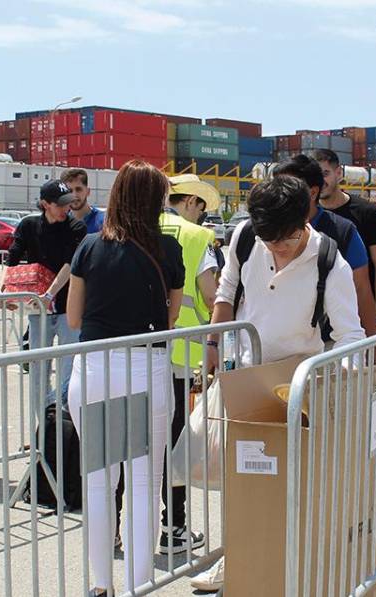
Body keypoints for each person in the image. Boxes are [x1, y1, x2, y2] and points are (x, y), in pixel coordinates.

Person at [190, 175, 365, 592]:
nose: (276, 249)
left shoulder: (330, 262)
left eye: (283, 240)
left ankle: (293, 564)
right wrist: (213, 342)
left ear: (304, 218)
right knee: (241, 475)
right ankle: (239, 558)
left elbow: (351, 333)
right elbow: (226, 291)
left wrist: (346, 378)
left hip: (298, 385)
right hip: (247, 378)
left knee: (295, 484)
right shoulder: (248, 237)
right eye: (269, 241)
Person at [66, 160, 185, 596]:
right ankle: (139, 583)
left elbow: (75, 317)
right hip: (145, 370)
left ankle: (100, 585)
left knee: (99, 480)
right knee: (143, 484)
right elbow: (170, 317)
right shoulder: (168, 251)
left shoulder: (90, 247)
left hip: (94, 367)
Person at [157, 173, 220, 554]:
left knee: (141, 443)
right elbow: (212, 296)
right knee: (175, 443)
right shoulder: (199, 238)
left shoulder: (141, 225)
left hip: (140, 351)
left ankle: (122, 527)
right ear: (193, 202)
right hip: (183, 355)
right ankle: (174, 527)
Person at [273, 154, 376, 336]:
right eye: (275, 187)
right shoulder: (257, 230)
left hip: (327, 347)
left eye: (287, 188)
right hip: (267, 349)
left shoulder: (343, 232)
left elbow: (362, 290)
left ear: (312, 192)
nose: (278, 195)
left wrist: (372, 348)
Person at [8, 180, 87, 407]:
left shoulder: (76, 228)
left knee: (68, 368)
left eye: (68, 204)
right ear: (45, 204)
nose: (66, 209)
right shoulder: (28, 226)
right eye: (60, 204)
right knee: (38, 369)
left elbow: (70, 263)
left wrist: (50, 294)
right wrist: (8, 293)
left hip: (67, 308)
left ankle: (65, 423)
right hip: (38, 311)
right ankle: (43, 428)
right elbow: (13, 257)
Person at [314, 149, 376, 333]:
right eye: (315, 176)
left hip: (359, 318)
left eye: (325, 173)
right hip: (318, 325)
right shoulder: (308, 215)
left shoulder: (366, 213)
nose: (320, 181)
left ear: (338, 173)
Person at [66, 168, 105, 233]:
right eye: (69, 191)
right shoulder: (60, 222)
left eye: (78, 189)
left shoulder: (103, 222)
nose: (74, 195)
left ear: (88, 191)